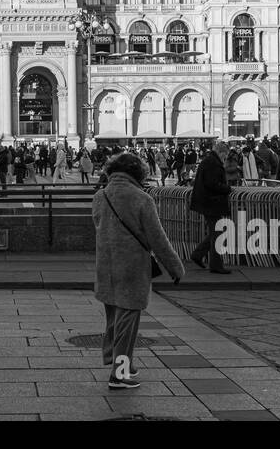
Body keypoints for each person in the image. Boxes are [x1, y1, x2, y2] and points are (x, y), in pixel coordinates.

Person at [92, 152, 183, 390]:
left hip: (106, 266)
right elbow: (157, 239)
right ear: (137, 173)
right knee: (127, 326)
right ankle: (119, 374)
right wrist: (175, 266)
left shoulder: (100, 196)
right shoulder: (142, 199)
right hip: (131, 268)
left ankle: (123, 362)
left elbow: (98, 227)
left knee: (114, 320)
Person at [188, 142, 232, 275]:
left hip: (207, 202)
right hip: (211, 202)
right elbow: (212, 183)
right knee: (217, 233)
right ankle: (216, 265)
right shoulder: (213, 163)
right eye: (226, 155)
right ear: (222, 152)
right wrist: (227, 189)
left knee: (215, 232)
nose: (226, 158)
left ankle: (197, 254)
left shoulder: (209, 160)